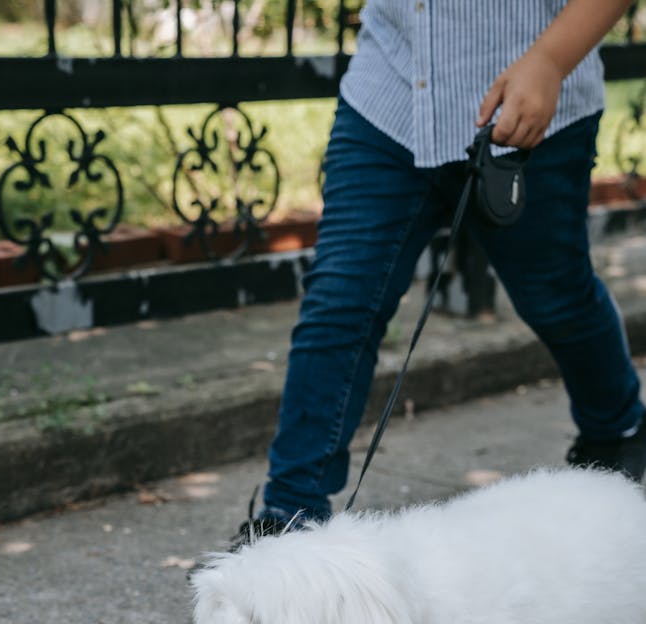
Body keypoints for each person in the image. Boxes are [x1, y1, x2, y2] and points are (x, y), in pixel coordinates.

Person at [237, 0, 646, 543]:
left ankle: (618, 430)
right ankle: (288, 520)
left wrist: (550, 59)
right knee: (340, 300)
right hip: (389, 95)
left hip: (529, 99)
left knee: (556, 295)